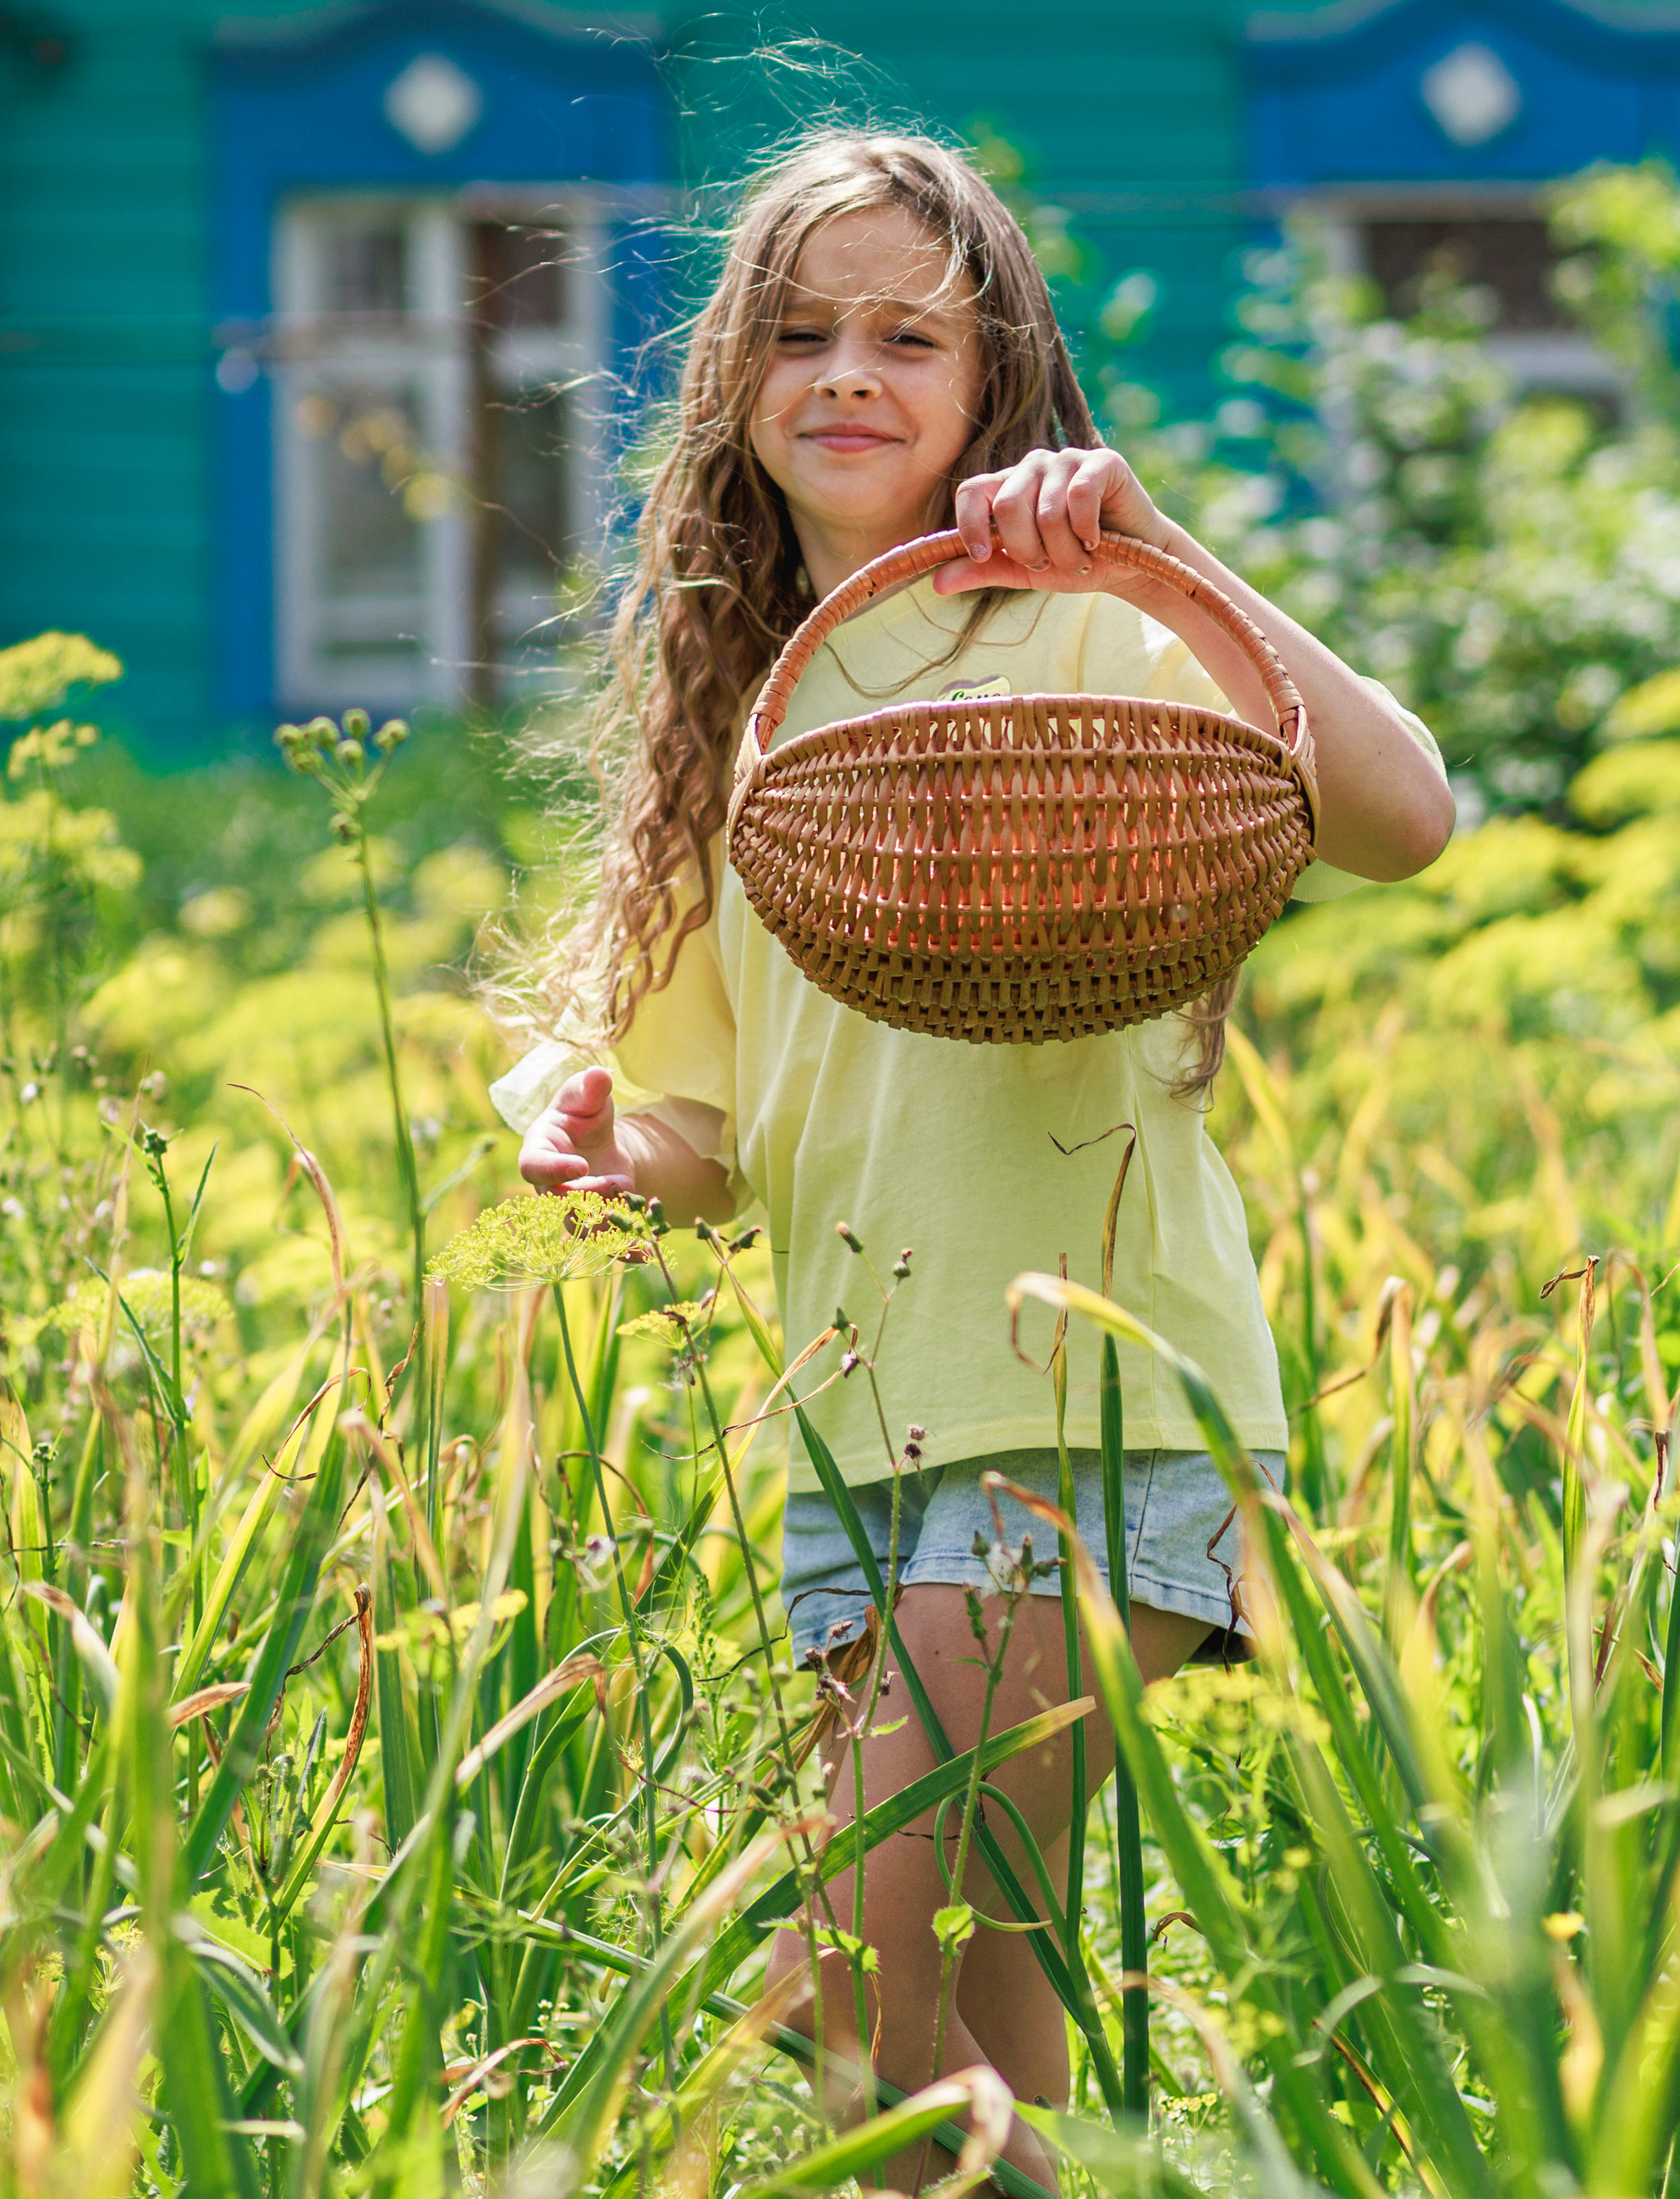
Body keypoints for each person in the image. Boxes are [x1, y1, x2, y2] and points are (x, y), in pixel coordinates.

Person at [499, 130, 1452, 2182]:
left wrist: (1155, 560)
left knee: (844, 1982)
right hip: (855, 1449)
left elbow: (1401, 822)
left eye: (905, 336)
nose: (844, 371)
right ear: (730, 385)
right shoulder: (739, 716)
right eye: (797, 331)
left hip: (1088, 1402)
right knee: (949, 2098)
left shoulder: (1078, 639)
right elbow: (708, 1136)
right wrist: (603, 1144)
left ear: (995, 389)